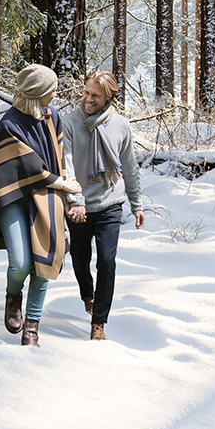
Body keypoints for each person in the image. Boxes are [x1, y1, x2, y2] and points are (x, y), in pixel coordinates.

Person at [0, 64, 81, 348]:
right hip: (11, 196)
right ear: (38, 93)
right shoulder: (9, 124)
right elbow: (25, 167)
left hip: (47, 196)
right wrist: (61, 184)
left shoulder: (53, 117)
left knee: (44, 261)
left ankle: (32, 327)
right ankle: (13, 296)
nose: (55, 92)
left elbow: (61, 157)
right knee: (21, 262)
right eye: (51, 88)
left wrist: (69, 194)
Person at [62, 70, 144, 341]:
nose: (87, 99)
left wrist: (137, 204)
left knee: (107, 262)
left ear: (108, 96)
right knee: (80, 259)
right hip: (79, 206)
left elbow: (130, 167)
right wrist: (76, 202)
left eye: (94, 95)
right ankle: (87, 293)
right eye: (85, 92)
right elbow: (67, 165)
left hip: (110, 202)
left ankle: (99, 324)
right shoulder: (70, 123)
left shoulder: (120, 126)